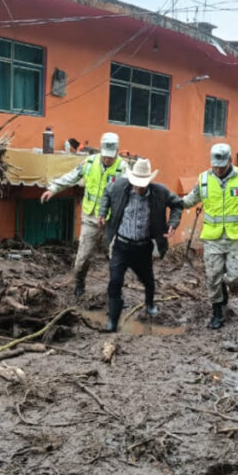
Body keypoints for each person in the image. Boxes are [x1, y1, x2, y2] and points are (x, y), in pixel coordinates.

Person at [182, 143, 238, 329]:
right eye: (215, 165)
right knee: (213, 276)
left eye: (222, 165)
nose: (218, 169)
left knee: (236, 276)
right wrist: (171, 201)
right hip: (213, 238)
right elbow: (190, 199)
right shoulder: (203, 179)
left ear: (229, 161)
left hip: (236, 237)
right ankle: (217, 313)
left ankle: (228, 289)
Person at [97, 158, 183, 332]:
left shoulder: (160, 192)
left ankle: (150, 303)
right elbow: (106, 193)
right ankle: (113, 322)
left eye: (142, 185)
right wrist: (102, 212)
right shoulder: (121, 186)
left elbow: (178, 205)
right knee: (115, 281)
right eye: (136, 184)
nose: (139, 188)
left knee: (148, 280)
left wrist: (173, 223)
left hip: (143, 247)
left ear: (149, 181)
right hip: (121, 245)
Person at [41, 132, 128, 298]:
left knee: (116, 259)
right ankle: (79, 284)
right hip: (90, 217)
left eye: (111, 156)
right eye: (105, 156)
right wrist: (53, 188)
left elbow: (131, 192)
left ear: (117, 152)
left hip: (112, 221)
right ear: (101, 151)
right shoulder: (89, 162)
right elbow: (72, 176)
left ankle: (115, 291)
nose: (108, 159)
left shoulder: (122, 169)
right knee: (83, 258)